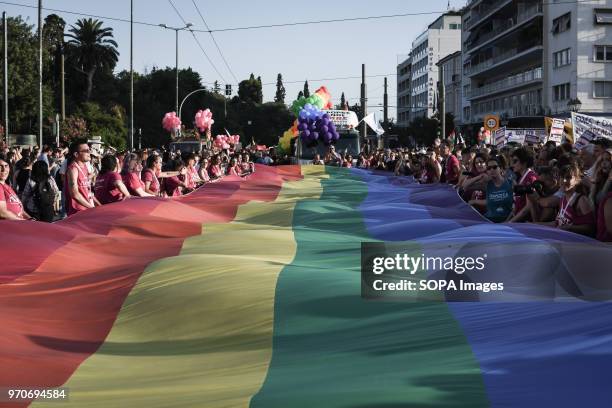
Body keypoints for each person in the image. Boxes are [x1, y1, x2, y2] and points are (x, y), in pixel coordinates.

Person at [553, 162, 595, 237]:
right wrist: (535, 224)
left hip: (575, 245)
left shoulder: (581, 200)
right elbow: (557, 223)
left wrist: (570, 228)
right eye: (562, 177)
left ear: (577, 180)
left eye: (568, 177)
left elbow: (591, 228)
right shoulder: (563, 199)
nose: (564, 180)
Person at [64, 138, 96, 216]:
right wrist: (91, 207)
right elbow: (74, 194)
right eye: (86, 151)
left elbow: (87, 192)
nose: (89, 152)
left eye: (89, 150)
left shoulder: (84, 167)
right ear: (76, 154)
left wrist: (98, 206)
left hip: (86, 210)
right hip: (77, 212)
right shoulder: (73, 169)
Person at [479, 157, 513, 223]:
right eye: (489, 168)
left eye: (494, 167)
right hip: (489, 220)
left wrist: (507, 222)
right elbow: (465, 186)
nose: (491, 170)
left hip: (507, 221)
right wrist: (479, 177)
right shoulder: (486, 184)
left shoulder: (510, 183)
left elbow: (516, 208)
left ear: (500, 168)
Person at [509, 147, 538, 222]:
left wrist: (510, 222)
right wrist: (506, 221)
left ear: (524, 162)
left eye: (515, 161)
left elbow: (527, 208)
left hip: (524, 223)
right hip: (517, 221)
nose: (512, 164)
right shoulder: (522, 177)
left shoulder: (531, 178)